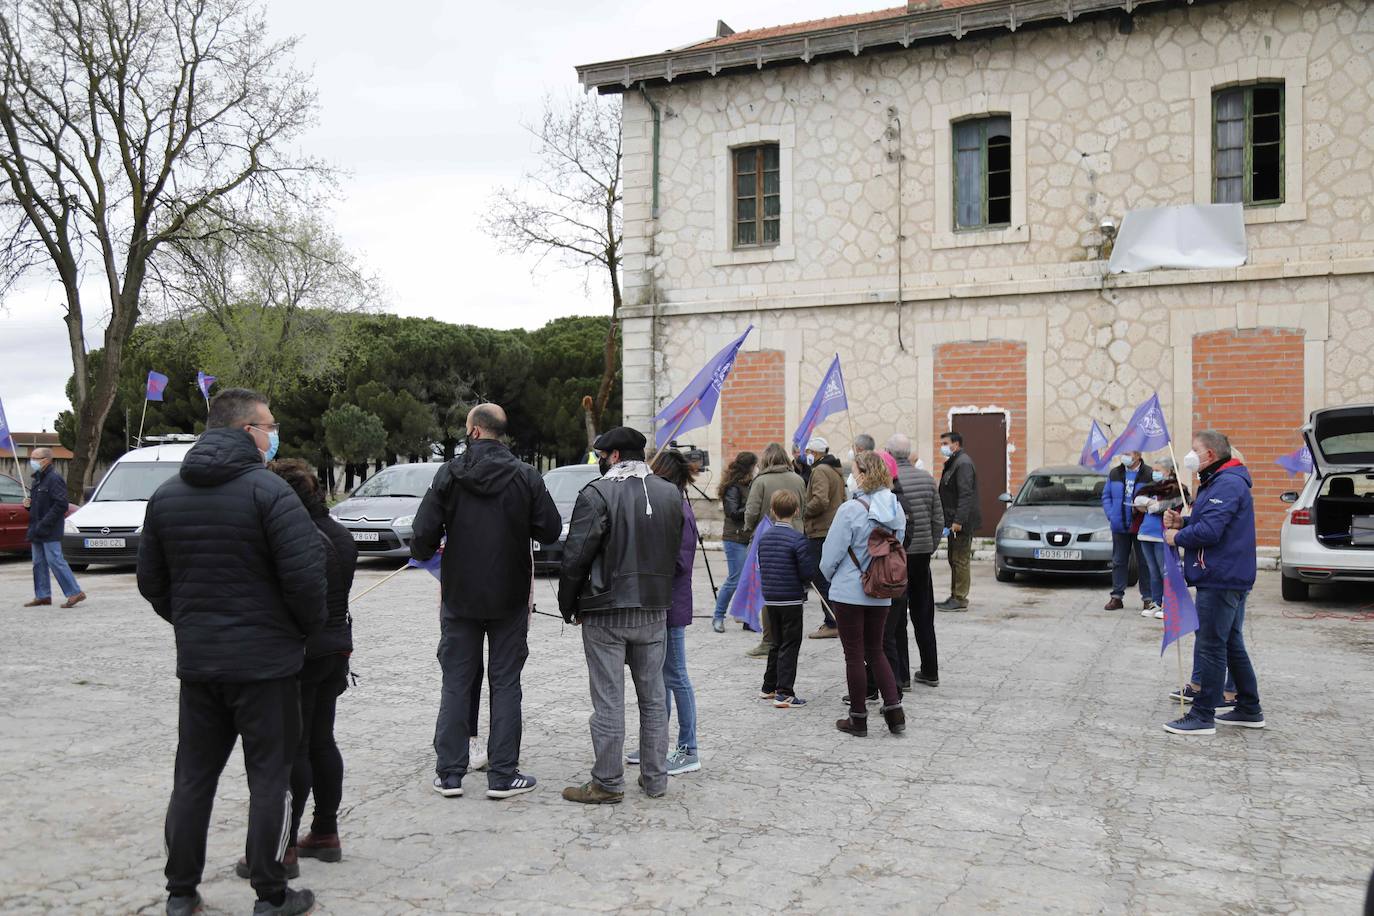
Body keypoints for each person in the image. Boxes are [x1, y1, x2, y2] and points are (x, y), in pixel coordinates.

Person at [136, 387, 326, 916]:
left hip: (201, 665)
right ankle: (272, 894)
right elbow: (307, 581)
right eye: (269, 425)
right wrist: (297, 634)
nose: (274, 434)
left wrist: (194, 623)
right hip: (265, 667)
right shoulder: (269, 493)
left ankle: (180, 894)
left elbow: (152, 582)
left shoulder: (167, 495)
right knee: (270, 778)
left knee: (193, 779)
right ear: (247, 430)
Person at [411, 403, 562, 800]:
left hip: (459, 595)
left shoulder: (448, 474)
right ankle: (502, 775)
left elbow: (422, 534)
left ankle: (449, 773)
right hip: (509, 596)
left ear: (474, 431)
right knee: (506, 682)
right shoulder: (527, 476)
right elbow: (550, 529)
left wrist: (441, 542)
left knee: (456, 681)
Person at [559, 426, 685, 804]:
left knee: (609, 700)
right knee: (654, 698)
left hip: (605, 610)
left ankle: (608, 782)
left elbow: (576, 556)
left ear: (613, 456)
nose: (599, 460)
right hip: (653, 609)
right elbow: (677, 553)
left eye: (602, 454)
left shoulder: (597, 493)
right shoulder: (670, 493)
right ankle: (655, 779)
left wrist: (569, 605)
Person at [272, 460, 357, 867]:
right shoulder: (340, 534)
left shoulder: (293, 536)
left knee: (295, 747)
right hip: (336, 649)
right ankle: (325, 830)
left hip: (302, 650)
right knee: (322, 739)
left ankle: (284, 845)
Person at [1162, 430, 1265, 735]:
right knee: (1231, 643)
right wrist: (1184, 522)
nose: (1190, 455)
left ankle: (1202, 714)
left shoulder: (1228, 483)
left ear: (1209, 455)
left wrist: (1177, 536)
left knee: (1210, 646)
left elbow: (1212, 532)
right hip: (1224, 574)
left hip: (1221, 576)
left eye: (1195, 450)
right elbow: (1210, 520)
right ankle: (1249, 707)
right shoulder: (1217, 482)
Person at [821, 452, 907, 737]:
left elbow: (830, 555)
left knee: (854, 655)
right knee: (876, 650)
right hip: (882, 588)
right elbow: (897, 545)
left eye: (854, 470)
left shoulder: (850, 510)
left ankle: (858, 717)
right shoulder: (895, 508)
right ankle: (894, 712)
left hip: (849, 590)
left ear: (862, 474)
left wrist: (832, 576)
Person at [636, 449, 702, 775]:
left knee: (676, 676)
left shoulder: (680, 510)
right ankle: (655, 743)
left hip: (671, 605)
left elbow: (680, 563)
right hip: (659, 602)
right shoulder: (669, 505)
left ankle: (689, 748)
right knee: (660, 678)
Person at [887, 434, 943, 688]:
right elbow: (938, 519)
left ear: (888, 453)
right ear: (910, 453)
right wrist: (929, 546)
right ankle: (930, 670)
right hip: (921, 555)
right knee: (923, 613)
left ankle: (902, 677)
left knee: (897, 617)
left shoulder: (891, 482)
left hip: (897, 555)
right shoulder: (928, 479)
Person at [742, 443, 807, 657]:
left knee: (767, 591)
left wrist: (749, 529)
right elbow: (804, 508)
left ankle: (769, 640)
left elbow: (751, 512)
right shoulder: (798, 479)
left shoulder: (760, 481)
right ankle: (789, 638)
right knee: (792, 589)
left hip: (767, 538)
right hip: (796, 535)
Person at [758, 489, 818, 708]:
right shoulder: (798, 539)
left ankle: (769, 686)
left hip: (771, 598)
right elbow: (806, 572)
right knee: (790, 644)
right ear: (797, 511)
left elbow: (762, 566)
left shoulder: (764, 538)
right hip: (791, 599)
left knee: (776, 642)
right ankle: (785, 692)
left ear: (772, 511)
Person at [22, 447, 85, 608]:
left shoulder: (54, 479)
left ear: (46, 460)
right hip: (37, 529)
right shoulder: (38, 479)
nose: (32, 461)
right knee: (38, 563)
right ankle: (43, 595)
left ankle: (74, 592)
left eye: (36, 458)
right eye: (32, 458)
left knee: (55, 561)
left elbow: (61, 504)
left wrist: (45, 523)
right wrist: (29, 505)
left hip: (49, 529)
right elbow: (41, 504)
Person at [801, 436, 845, 639]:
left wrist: (803, 511)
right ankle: (837, 620)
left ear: (815, 453)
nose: (807, 455)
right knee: (830, 578)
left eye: (809, 452)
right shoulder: (835, 469)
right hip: (833, 527)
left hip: (820, 530)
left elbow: (820, 500)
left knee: (821, 579)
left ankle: (832, 622)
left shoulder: (820, 470)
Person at [1134, 458, 1186, 621]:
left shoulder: (1178, 489)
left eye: (1158, 471)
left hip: (1162, 535)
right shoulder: (1151, 488)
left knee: (1166, 571)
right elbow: (1138, 501)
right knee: (1153, 572)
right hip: (1146, 533)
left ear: (1170, 471)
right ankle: (1156, 602)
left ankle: (1169, 604)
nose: (1154, 474)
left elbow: (1162, 507)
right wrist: (1150, 503)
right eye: (1154, 471)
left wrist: (1151, 505)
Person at [1102, 450, 1153, 611]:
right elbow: (1106, 496)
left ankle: (1148, 598)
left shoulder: (1149, 474)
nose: (1124, 456)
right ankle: (1117, 597)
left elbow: (1156, 496)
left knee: (1144, 562)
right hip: (1119, 525)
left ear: (1138, 455)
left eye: (1128, 453)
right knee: (1118, 561)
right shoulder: (1115, 473)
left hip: (1141, 525)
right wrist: (1111, 514)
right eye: (1123, 453)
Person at [713, 451, 758, 633]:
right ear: (748, 467)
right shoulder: (733, 487)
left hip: (748, 537)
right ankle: (718, 616)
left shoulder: (749, 484)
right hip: (734, 537)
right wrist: (752, 507)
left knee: (750, 580)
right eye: (754, 466)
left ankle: (747, 618)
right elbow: (732, 512)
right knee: (735, 579)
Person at [937, 431, 980, 612]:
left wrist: (958, 521)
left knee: (960, 559)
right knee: (953, 558)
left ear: (955, 444)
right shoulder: (955, 462)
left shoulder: (963, 463)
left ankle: (960, 598)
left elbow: (965, 495)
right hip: (953, 520)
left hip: (960, 522)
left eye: (945, 443)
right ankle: (955, 595)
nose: (942, 447)